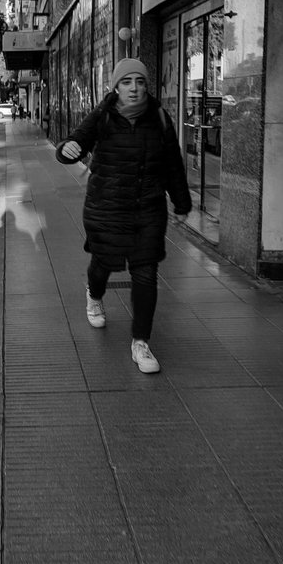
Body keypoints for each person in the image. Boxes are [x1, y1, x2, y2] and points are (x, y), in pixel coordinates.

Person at [56, 58, 191, 374]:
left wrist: (182, 203)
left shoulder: (158, 117)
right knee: (102, 264)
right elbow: (71, 144)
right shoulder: (103, 116)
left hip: (148, 209)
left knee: (146, 273)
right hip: (107, 208)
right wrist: (68, 149)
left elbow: (172, 162)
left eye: (140, 82)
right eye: (127, 82)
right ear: (116, 87)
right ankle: (94, 294)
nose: (134, 88)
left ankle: (140, 342)